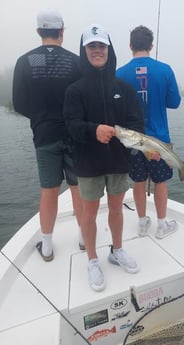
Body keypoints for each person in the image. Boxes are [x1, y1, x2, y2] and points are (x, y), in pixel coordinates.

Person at [63, 24, 144, 292]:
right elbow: (71, 126)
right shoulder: (74, 90)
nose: (97, 51)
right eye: (92, 46)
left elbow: (137, 124)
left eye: (102, 46)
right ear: (84, 51)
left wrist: (126, 139)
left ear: (109, 50)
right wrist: (93, 130)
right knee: (88, 213)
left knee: (117, 208)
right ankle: (93, 259)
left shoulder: (125, 87)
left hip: (118, 161)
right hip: (88, 162)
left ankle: (117, 250)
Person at [12, 10, 84, 261]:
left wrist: (40, 118)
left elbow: (19, 102)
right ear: (62, 31)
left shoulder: (25, 61)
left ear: (38, 31)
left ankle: (48, 246)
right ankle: (85, 238)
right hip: (75, 135)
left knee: (48, 191)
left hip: (44, 136)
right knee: (78, 188)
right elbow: (84, 99)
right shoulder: (76, 62)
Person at [116, 25, 181, 239]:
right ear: (151, 45)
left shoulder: (119, 74)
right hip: (159, 140)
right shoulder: (165, 70)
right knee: (160, 182)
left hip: (132, 141)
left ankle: (142, 223)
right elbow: (174, 102)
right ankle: (162, 225)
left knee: (138, 180)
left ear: (130, 46)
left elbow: (117, 109)